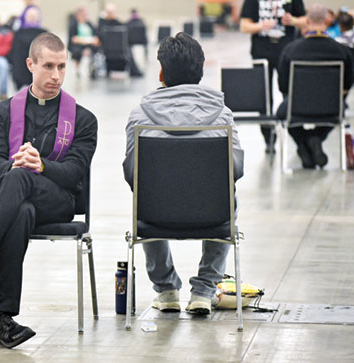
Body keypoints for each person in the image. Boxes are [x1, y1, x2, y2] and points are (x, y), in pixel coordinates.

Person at [0, 32, 98, 349]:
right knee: (19, 206)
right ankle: (2, 320)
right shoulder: (1, 113)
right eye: (48, 66)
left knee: (20, 178)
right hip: (11, 205)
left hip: (57, 201)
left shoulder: (82, 120)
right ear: (30, 64)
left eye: (62, 67)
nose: (56, 75)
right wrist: (15, 168)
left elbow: (74, 173)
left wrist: (41, 166)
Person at [122, 32, 244, 314]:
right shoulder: (223, 115)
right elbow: (235, 170)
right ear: (201, 72)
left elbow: (132, 175)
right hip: (212, 217)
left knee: (143, 195)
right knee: (227, 196)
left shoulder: (139, 115)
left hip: (155, 218)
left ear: (161, 73)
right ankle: (204, 291)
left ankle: (166, 291)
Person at [276, 4, 354, 169]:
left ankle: (303, 145)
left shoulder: (291, 50)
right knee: (341, 108)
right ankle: (315, 139)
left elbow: (283, 85)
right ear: (327, 20)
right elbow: (347, 85)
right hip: (331, 108)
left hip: (296, 108)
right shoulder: (342, 51)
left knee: (282, 113)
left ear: (307, 21)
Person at [240, 0, 306, 153]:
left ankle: (299, 138)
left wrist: (293, 21)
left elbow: (305, 21)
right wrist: (261, 26)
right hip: (261, 51)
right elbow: (244, 25)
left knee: (290, 94)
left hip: (287, 51)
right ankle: (268, 137)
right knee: (263, 98)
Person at [9, 7, 46, 89]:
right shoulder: (18, 33)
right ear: (25, 17)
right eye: (30, 16)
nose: (32, 18)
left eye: (34, 16)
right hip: (21, 65)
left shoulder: (43, 32)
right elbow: (14, 51)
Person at [67, 6, 101, 78]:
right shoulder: (74, 24)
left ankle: (92, 67)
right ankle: (78, 69)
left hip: (89, 44)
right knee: (78, 50)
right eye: (83, 14)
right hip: (78, 44)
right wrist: (84, 40)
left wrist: (93, 40)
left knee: (94, 49)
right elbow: (73, 38)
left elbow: (96, 35)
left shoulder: (89, 24)